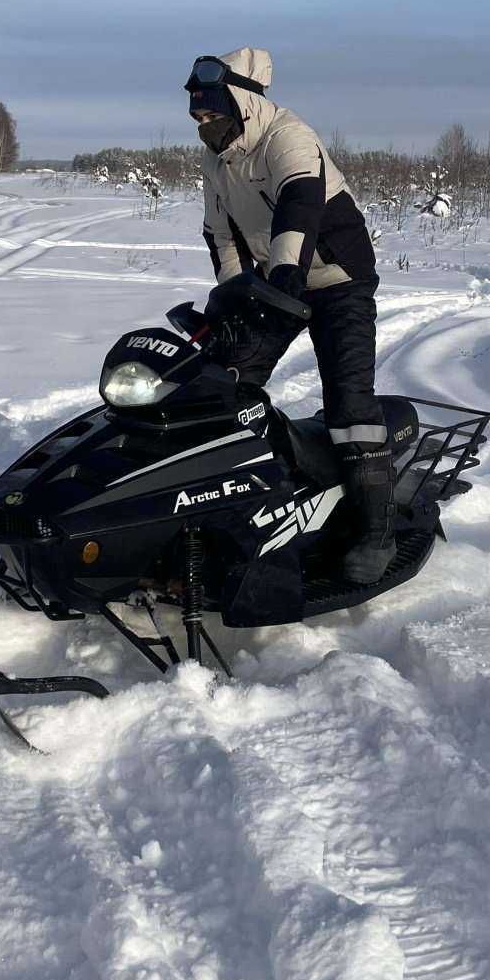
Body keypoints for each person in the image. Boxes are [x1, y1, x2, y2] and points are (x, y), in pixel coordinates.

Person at [185, 47, 395, 584]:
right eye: (199, 117)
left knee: (349, 401)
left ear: (242, 103)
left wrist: (282, 277)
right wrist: (232, 298)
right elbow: (220, 232)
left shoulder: (289, 138)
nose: (205, 125)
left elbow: (301, 208)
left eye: (213, 113)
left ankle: (375, 530)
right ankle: (234, 504)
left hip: (337, 277)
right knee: (230, 380)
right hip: (278, 279)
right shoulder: (218, 155)